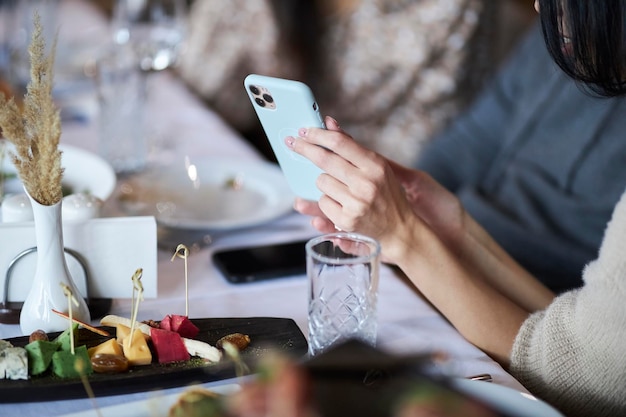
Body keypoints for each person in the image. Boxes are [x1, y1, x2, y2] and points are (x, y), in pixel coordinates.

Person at [286, 0, 626, 415]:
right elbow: (575, 336)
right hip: (496, 287)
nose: (538, 6)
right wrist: (450, 226)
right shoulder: (564, 34)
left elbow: (584, 375)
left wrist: (407, 237)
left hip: (532, 298)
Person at [413, 21, 626, 294]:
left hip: (538, 295)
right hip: (453, 246)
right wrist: (403, 199)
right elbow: (470, 140)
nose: (539, 7)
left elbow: (586, 320)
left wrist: (417, 237)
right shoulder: (552, 31)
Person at [177, 0, 500, 165]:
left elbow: (423, 158)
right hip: (252, 177)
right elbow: (190, 101)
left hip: (369, 211)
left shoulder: (446, 9)